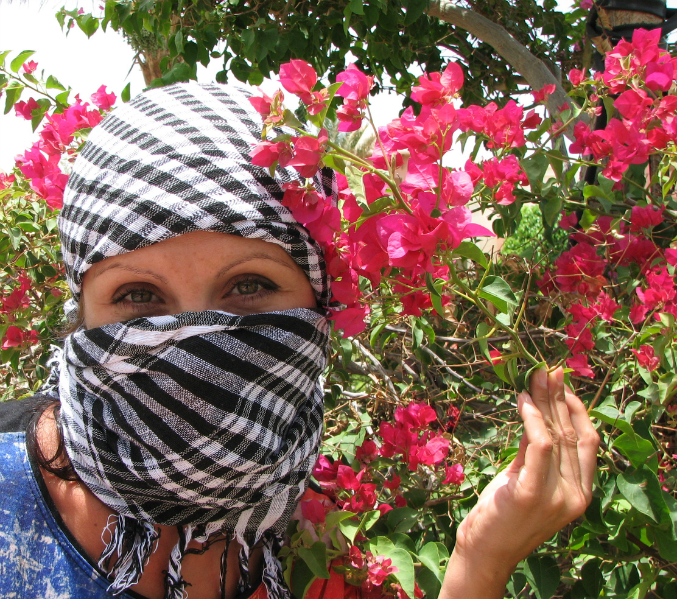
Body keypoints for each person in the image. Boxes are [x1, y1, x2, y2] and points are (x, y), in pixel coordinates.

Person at [0, 82, 599, 599]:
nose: (194, 341)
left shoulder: (317, 521)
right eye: (137, 295)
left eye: (249, 285)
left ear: (318, 301)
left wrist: (480, 558)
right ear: (82, 311)